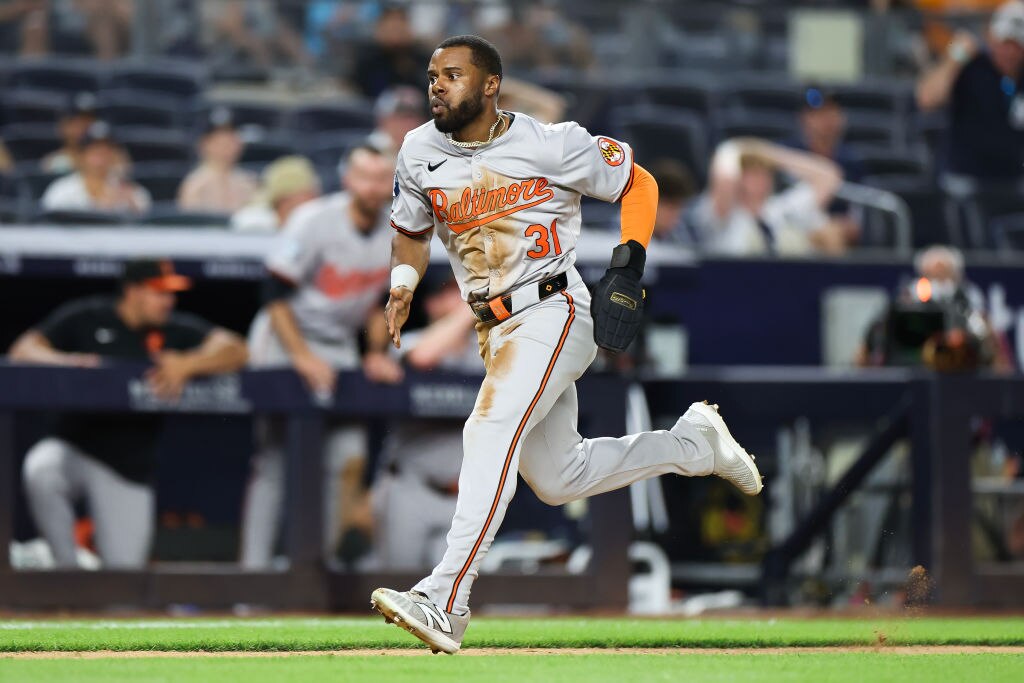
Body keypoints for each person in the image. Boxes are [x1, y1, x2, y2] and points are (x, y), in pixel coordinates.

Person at [370, 34, 762, 655]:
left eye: (452, 74)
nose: (436, 85)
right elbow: (411, 230)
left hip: (552, 307)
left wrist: (627, 267)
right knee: (558, 476)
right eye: (431, 75)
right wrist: (402, 281)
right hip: (493, 327)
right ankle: (693, 445)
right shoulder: (419, 150)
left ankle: (445, 598)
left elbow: (640, 185)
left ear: (490, 83)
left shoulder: (550, 142)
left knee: (489, 428)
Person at [9, 259, 248, 569]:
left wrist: (189, 363)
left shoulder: (174, 330)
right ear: (133, 291)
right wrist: (64, 361)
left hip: (128, 468)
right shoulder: (89, 316)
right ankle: (65, 567)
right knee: (41, 468)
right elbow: (24, 349)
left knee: (125, 577)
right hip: (76, 447)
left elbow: (237, 348)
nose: (168, 301)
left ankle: (85, 568)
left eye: (170, 294)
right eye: (159, 293)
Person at [240, 145, 403, 569]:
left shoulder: (400, 228)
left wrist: (374, 352)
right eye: (363, 176)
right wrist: (301, 358)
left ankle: (319, 571)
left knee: (348, 455)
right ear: (347, 181)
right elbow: (273, 294)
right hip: (285, 333)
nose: (372, 186)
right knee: (275, 460)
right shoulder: (313, 220)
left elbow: (376, 303)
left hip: (337, 343)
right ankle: (253, 574)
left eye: (381, 177)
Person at [368, 275, 480, 570]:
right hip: (409, 490)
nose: (464, 298)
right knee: (396, 585)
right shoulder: (410, 341)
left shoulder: (485, 349)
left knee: (455, 594)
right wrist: (470, 308)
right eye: (453, 294)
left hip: (462, 497)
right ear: (431, 304)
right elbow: (423, 357)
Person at [856, 244, 1012, 370]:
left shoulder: (972, 312)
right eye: (932, 276)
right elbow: (862, 357)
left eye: (944, 276)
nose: (939, 283)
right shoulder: (899, 310)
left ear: (958, 277)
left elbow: (1000, 364)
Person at [916, 0, 1024, 180]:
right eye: (1005, 43)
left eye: (1017, 46)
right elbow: (926, 99)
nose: (1010, 52)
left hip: (1013, 183)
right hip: (965, 181)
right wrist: (956, 57)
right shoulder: (972, 66)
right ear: (992, 38)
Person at [690, 137, 845, 256]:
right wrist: (734, 147)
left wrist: (771, 153)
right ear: (739, 177)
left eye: (766, 173)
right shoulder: (725, 212)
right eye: (753, 173)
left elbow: (829, 176)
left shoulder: (782, 209)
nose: (761, 180)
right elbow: (725, 178)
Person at [40, 121, 151, 215]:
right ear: (81, 156)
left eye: (105, 151)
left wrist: (132, 207)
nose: (100, 159)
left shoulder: (133, 193)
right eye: (94, 152)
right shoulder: (61, 190)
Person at [178, 107, 259, 214]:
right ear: (204, 144)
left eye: (230, 138)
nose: (225, 145)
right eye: (217, 140)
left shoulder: (250, 183)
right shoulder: (194, 185)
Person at [231, 155, 321, 233]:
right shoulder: (254, 221)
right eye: (308, 192)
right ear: (286, 197)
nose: (314, 198)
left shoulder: (312, 222)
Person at [41, 92, 98, 175]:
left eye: (87, 121)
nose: (82, 128)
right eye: (75, 122)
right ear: (63, 126)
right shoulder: (53, 163)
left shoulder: (111, 159)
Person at [647, 158, 698, 245]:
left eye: (678, 207)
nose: (674, 215)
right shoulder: (621, 235)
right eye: (669, 207)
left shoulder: (683, 237)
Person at [368, 86, 429, 155]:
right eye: (403, 117)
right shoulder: (369, 151)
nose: (410, 123)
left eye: (417, 117)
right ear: (383, 120)